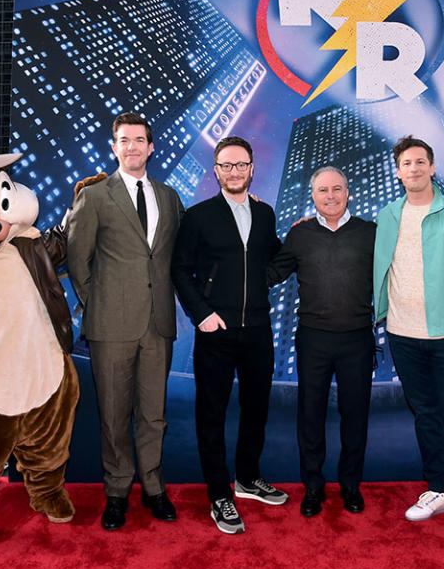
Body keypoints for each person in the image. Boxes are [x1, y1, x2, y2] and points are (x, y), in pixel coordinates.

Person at [67, 112, 185, 530]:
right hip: (109, 326)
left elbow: (183, 252)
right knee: (114, 414)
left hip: (158, 325)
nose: (132, 146)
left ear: (151, 148)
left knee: (154, 415)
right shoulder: (96, 196)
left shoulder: (169, 197)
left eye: (140, 139)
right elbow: (76, 258)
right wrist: (98, 303)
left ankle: (154, 489)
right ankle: (116, 493)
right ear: (113, 147)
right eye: (124, 140)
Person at [373, 136, 444, 532]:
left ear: (432, 167)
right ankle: (439, 489)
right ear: (398, 170)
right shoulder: (388, 215)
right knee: (425, 415)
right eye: (406, 163)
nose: (414, 169)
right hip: (402, 335)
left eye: (420, 161)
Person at [172, 135, 286, 535]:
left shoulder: (266, 213)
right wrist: (201, 314)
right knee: (212, 416)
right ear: (216, 170)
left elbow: (276, 255)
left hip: (257, 330)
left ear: (252, 169)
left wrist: (266, 278)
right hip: (215, 332)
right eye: (226, 165)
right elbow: (179, 270)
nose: (234, 172)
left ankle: (247, 478)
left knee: (256, 410)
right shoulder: (199, 216)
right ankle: (219, 494)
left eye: (241, 165)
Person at [267, 166, 376, 517]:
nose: (330, 196)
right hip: (313, 339)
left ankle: (350, 487)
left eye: (337, 189)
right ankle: (312, 488)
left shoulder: (371, 233)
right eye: (322, 190)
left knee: (355, 417)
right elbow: (271, 272)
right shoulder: (299, 235)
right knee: (310, 417)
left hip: (357, 339)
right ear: (312, 195)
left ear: (348, 192)